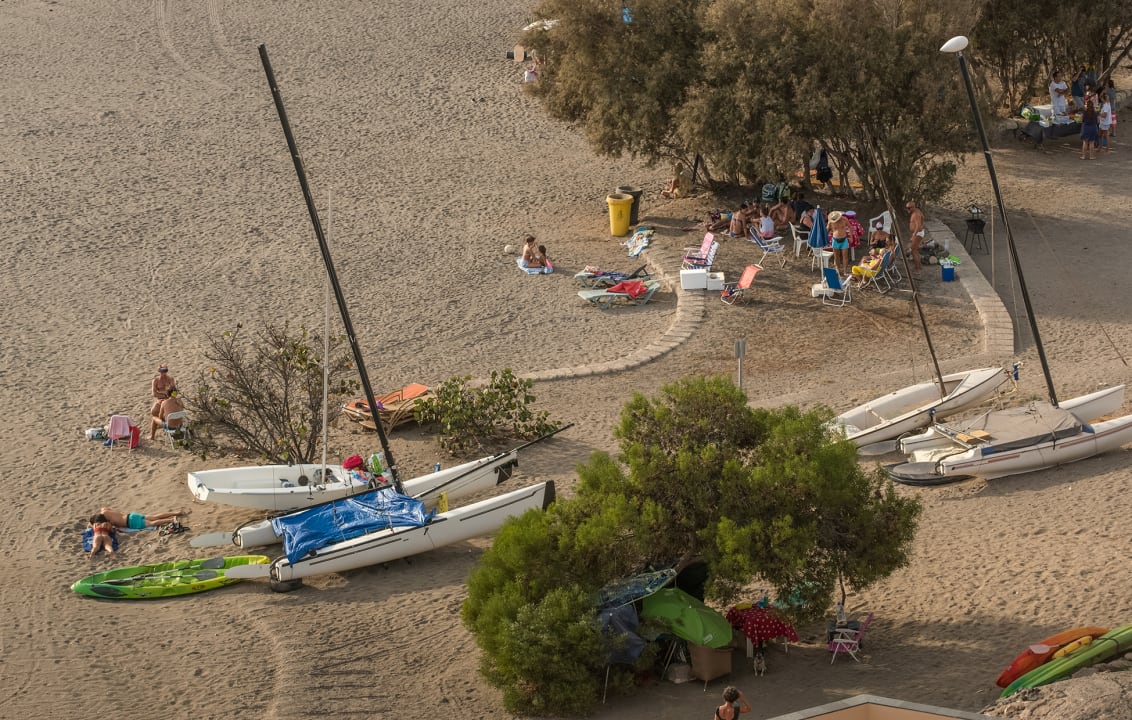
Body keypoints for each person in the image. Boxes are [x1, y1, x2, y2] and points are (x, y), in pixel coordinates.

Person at [97, 507, 183, 530]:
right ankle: (176, 513)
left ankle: (171, 520)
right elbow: (103, 508)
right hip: (131, 515)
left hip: (130, 522)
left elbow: (112, 529)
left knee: (152, 523)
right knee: (154, 517)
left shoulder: (107, 521)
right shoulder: (105, 511)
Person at [906, 200, 925, 278]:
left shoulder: (916, 214)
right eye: (907, 208)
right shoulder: (917, 211)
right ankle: (919, 266)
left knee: (913, 251)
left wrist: (914, 235)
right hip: (918, 233)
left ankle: (918, 269)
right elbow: (923, 220)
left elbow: (918, 226)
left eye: (909, 208)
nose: (908, 209)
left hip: (917, 234)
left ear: (914, 207)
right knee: (915, 250)